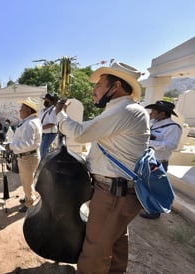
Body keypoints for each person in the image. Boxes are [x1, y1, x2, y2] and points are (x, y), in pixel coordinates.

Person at [55, 62, 150, 273]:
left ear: (115, 86)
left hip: (114, 194)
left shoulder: (126, 110)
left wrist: (60, 115)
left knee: (94, 250)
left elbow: (80, 133)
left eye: (99, 84)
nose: (94, 90)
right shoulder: (122, 110)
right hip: (117, 192)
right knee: (114, 244)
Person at [139, 100, 183, 219]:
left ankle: (155, 212)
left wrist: (149, 142)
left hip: (159, 162)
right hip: (148, 160)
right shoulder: (155, 123)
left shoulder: (174, 128)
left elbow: (171, 145)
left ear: (162, 113)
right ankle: (147, 206)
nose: (151, 113)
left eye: (154, 111)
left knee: (156, 188)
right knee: (147, 185)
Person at [5, 97, 42, 213]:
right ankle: (28, 197)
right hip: (27, 156)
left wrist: (10, 146)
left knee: (27, 182)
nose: (19, 110)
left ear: (28, 110)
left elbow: (27, 144)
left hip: (28, 157)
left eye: (22, 108)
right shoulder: (28, 122)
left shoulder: (30, 123)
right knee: (27, 180)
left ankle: (29, 204)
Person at [39, 93, 58, 158]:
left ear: (52, 101)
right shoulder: (43, 110)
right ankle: (47, 164)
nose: (45, 101)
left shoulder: (53, 110)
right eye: (45, 100)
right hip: (44, 133)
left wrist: (40, 128)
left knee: (43, 151)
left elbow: (52, 124)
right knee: (45, 150)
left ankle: (43, 165)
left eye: (47, 100)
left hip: (50, 133)